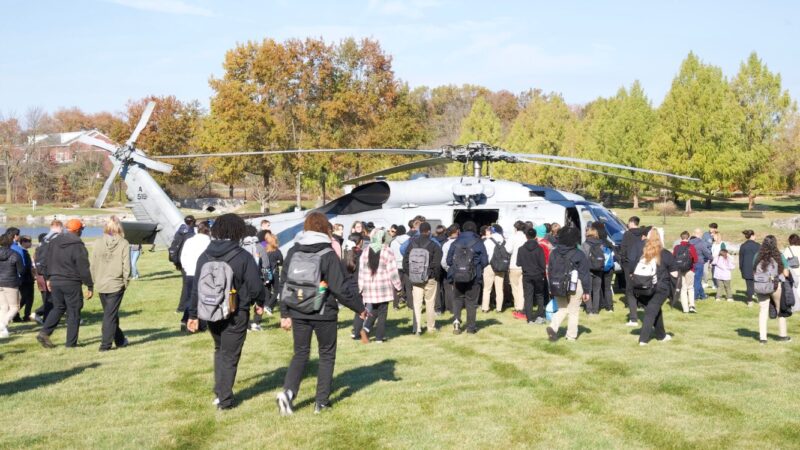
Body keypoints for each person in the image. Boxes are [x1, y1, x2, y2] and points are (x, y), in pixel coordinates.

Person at [276, 212, 366, 415]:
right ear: (326, 229)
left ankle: (288, 393)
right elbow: (340, 288)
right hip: (324, 312)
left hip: (298, 310)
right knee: (326, 355)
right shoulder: (327, 253)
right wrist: (359, 308)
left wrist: (284, 313)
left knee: (300, 353)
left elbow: (284, 284)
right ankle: (321, 402)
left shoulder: (292, 251)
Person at [187, 214, 266, 410]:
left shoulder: (204, 255)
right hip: (236, 312)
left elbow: (196, 288)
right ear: (238, 231)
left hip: (211, 311)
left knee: (220, 350)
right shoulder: (243, 256)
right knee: (230, 355)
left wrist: (193, 315)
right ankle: (225, 399)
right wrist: (260, 303)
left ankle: (220, 391)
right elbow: (256, 287)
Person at [37, 219, 93, 349]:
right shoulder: (77, 245)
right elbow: (83, 267)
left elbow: (46, 260)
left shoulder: (53, 242)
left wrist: (48, 278)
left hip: (55, 280)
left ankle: (44, 332)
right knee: (73, 311)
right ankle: (71, 344)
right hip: (71, 282)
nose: (82, 232)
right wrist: (89, 285)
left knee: (59, 307)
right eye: (82, 230)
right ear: (77, 230)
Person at [90, 217, 131, 351]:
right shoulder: (124, 243)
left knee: (110, 313)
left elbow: (93, 265)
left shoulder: (97, 242)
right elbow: (127, 266)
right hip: (115, 283)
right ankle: (105, 345)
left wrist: (94, 280)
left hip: (102, 283)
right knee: (110, 315)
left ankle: (119, 340)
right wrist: (125, 281)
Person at [354, 229, 402, 343]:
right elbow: (393, 272)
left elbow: (361, 272)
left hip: (369, 287)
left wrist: (360, 288)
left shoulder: (365, 251)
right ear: (382, 238)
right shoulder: (387, 251)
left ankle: (365, 330)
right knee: (382, 312)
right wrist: (398, 286)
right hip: (383, 287)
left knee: (374, 310)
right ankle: (379, 337)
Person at [546, 226, 591, 342]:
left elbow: (550, 271)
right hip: (575, 285)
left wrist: (551, 287)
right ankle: (571, 336)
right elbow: (584, 274)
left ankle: (553, 327)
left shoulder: (554, 252)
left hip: (557, 283)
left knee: (562, 309)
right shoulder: (579, 254)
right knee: (573, 311)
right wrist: (587, 291)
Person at [446, 221, 488, 334]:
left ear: (462, 230)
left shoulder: (454, 243)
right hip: (474, 277)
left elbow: (448, 261)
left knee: (457, 299)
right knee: (471, 301)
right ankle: (470, 327)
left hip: (457, 276)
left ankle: (456, 322)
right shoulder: (479, 242)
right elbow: (485, 261)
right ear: (474, 230)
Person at [637, 228, 677, 345]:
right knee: (651, 311)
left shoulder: (644, 252)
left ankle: (661, 335)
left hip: (644, 287)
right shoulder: (666, 254)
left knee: (655, 309)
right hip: (661, 288)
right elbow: (674, 273)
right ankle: (643, 339)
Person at [403, 222, 442, 335]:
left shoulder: (412, 244)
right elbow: (437, 263)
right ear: (429, 231)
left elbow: (406, 261)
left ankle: (417, 328)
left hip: (415, 278)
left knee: (417, 303)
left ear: (419, 230)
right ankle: (431, 327)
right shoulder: (434, 245)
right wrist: (433, 275)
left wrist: (410, 274)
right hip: (430, 278)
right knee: (430, 303)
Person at [753, 235, 791, 344]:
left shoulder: (757, 256)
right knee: (781, 310)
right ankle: (782, 336)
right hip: (775, 285)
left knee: (763, 311)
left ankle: (763, 338)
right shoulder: (779, 255)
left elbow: (754, 271)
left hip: (760, 286)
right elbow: (786, 273)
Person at [179, 220, 211, 332]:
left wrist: (187, 268)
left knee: (190, 298)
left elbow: (183, 256)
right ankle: (201, 323)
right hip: (203, 273)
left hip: (190, 272)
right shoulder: (209, 242)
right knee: (203, 299)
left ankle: (185, 319)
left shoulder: (189, 241)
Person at [619, 216, 649, 326]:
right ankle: (642, 304)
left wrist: (623, 260)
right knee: (642, 284)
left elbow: (623, 248)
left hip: (629, 262)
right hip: (642, 262)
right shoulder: (643, 233)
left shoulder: (627, 234)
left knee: (630, 287)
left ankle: (632, 312)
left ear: (631, 222)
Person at [32, 220, 63, 323]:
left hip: (45, 272)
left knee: (51, 298)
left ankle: (46, 319)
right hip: (52, 272)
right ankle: (43, 317)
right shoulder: (54, 238)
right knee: (54, 298)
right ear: (59, 227)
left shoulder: (45, 239)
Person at [517, 226, 547, 325]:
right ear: (535, 237)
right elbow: (543, 264)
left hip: (527, 275)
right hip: (538, 275)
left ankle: (529, 318)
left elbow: (518, 263)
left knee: (528, 296)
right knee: (539, 295)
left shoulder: (521, 249)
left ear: (526, 236)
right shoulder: (539, 249)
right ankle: (540, 316)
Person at [170, 215, 196, 315]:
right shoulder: (190, 234)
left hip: (181, 260)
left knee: (186, 284)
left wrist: (177, 261)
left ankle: (183, 307)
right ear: (193, 222)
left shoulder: (179, 232)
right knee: (188, 285)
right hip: (188, 261)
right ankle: (182, 307)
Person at [0, 234, 24, 338]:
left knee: (3, 307)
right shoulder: (15, 254)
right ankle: (2, 324)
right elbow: (21, 270)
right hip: (11, 283)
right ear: (11, 242)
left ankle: (3, 329)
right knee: (15, 307)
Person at [482, 225, 509, 313]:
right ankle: (499, 308)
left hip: (489, 266)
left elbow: (484, 254)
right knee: (499, 288)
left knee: (487, 288)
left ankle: (485, 308)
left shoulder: (487, 241)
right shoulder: (504, 240)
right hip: (501, 266)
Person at [581, 225, 606, 315]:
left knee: (588, 290)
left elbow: (582, 257)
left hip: (588, 270)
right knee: (596, 291)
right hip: (599, 269)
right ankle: (596, 310)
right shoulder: (601, 243)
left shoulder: (585, 244)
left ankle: (589, 309)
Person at [673, 231, 699, 313]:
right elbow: (696, 259)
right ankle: (692, 306)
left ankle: (685, 309)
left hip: (680, 270)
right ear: (688, 237)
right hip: (690, 269)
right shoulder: (691, 247)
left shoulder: (676, 247)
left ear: (681, 237)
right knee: (690, 288)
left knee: (683, 289)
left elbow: (673, 258)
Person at [507, 221, 527, 319]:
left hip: (514, 265)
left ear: (515, 228)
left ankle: (517, 306)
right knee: (522, 288)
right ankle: (521, 306)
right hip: (524, 265)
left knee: (514, 287)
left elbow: (508, 250)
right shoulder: (525, 237)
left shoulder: (513, 237)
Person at [262, 232, 284, 316]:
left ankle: (266, 306)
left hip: (266, 273)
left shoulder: (265, 251)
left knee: (267, 290)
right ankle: (268, 306)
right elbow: (281, 261)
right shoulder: (277, 251)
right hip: (274, 273)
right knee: (276, 291)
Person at [389, 225, 409, 309]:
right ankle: (410, 305)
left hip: (396, 265)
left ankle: (395, 305)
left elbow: (391, 254)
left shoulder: (393, 242)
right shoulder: (409, 240)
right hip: (407, 265)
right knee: (408, 285)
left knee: (396, 285)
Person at [15, 236, 35, 322]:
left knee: (29, 297)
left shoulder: (25, 252)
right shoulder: (21, 252)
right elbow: (24, 266)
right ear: (23, 242)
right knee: (25, 297)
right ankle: (15, 314)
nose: (30, 243)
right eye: (28, 241)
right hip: (25, 279)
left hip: (28, 278)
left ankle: (27, 315)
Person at [739, 230, 761, 307]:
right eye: (755, 235)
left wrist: (741, 268)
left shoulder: (743, 246)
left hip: (746, 268)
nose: (755, 237)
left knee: (749, 286)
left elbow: (741, 259)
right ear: (751, 236)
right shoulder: (758, 245)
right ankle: (759, 299)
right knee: (758, 285)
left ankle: (750, 301)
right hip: (757, 269)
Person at [689, 228, 712, 301]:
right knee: (697, 280)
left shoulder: (689, 242)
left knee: (695, 280)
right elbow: (707, 253)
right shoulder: (701, 243)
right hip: (699, 263)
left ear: (693, 233)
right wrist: (712, 258)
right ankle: (695, 296)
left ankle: (702, 295)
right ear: (701, 234)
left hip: (690, 263)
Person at [782, 234, 800, 312]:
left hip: (792, 272)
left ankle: (796, 306)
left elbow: (784, 261)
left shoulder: (787, 249)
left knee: (794, 290)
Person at [702, 223, 718, 288]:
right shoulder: (705, 234)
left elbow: (718, 243)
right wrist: (711, 243)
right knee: (705, 270)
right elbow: (703, 244)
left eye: (713, 228)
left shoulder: (717, 235)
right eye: (710, 228)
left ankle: (715, 284)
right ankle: (705, 282)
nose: (711, 229)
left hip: (714, 255)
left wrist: (715, 238)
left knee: (714, 270)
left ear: (715, 229)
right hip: (706, 255)